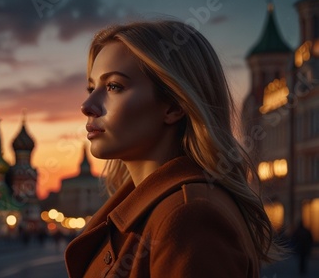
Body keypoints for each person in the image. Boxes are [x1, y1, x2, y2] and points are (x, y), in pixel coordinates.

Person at [65, 20, 280, 278]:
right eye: (91, 88)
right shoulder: (162, 207)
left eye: (113, 86)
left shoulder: (189, 217)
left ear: (174, 106)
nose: (87, 105)